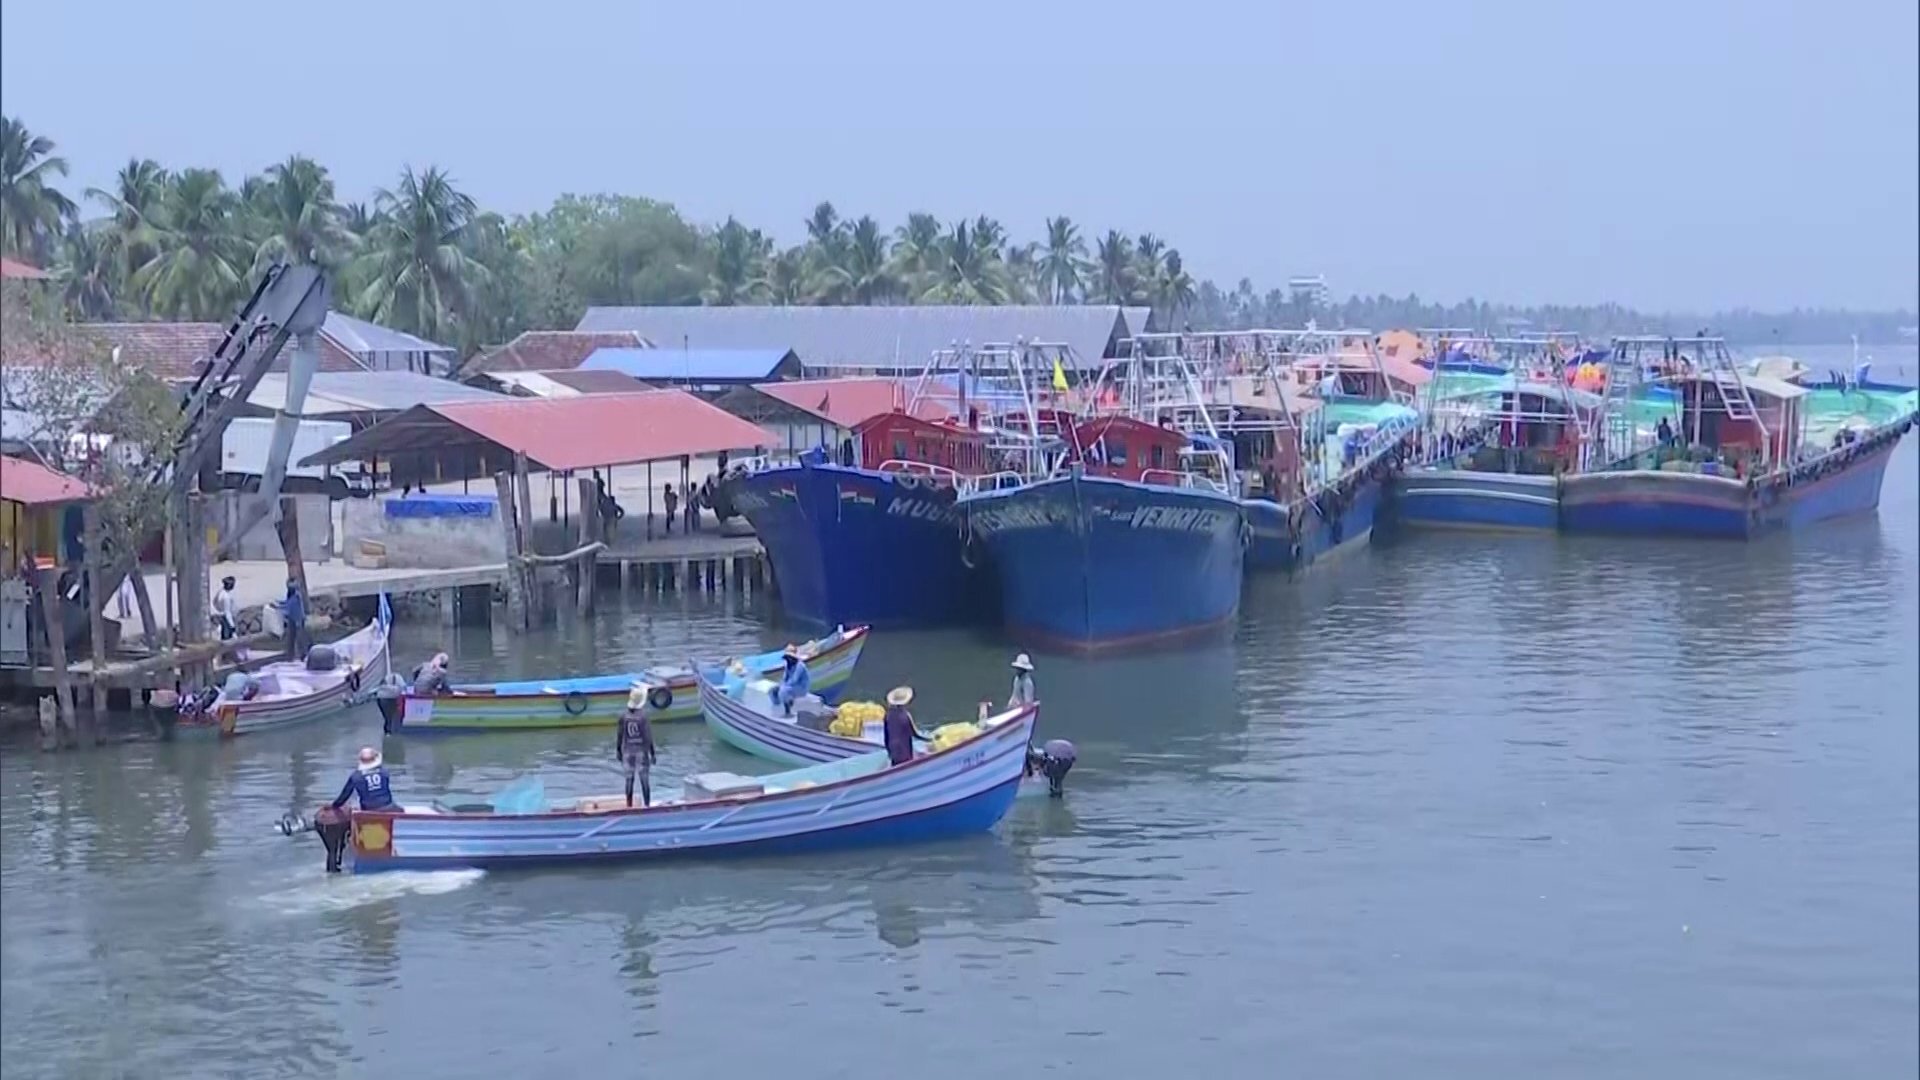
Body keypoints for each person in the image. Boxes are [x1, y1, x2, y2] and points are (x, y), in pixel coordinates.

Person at [616, 684, 658, 808]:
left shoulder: (624, 716)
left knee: (629, 779)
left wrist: (618, 750)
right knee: (644, 779)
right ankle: (647, 805)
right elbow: (648, 737)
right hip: (641, 751)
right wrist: (652, 753)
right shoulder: (643, 717)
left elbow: (619, 735)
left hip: (627, 751)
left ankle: (629, 805)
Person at [331, 746, 396, 812]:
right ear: (375, 759)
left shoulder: (356, 776)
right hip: (389, 806)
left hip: (369, 808)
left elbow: (344, 796)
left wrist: (334, 806)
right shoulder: (384, 771)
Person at [882, 686, 917, 766]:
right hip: (904, 751)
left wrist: (889, 751)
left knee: (896, 763)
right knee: (906, 764)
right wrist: (930, 739)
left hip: (893, 750)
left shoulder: (888, 715)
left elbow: (886, 736)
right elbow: (915, 734)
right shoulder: (905, 715)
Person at [774, 644, 811, 715]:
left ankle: (788, 711)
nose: (788, 659)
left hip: (801, 687)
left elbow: (794, 680)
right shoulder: (788, 665)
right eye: (787, 657)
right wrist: (781, 685)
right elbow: (785, 678)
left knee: (784, 691)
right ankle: (778, 708)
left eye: (790, 657)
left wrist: (784, 686)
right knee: (773, 690)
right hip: (791, 686)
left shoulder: (800, 665)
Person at [280, 579, 308, 662]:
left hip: (297, 619)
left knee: (299, 638)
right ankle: (292, 655)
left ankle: (301, 654)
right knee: (291, 638)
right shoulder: (291, 595)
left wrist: (298, 621)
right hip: (292, 618)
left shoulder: (296, 596)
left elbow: (297, 609)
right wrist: (280, 605)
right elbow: (288, 604)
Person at [212, 576, 239, 641]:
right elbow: (227, 613)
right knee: (227, 638)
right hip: (226, 620)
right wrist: (232, 626)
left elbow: (214, 602)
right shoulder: (226, 597)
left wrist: (218, 611)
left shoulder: (220, 592)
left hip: (221, 616)